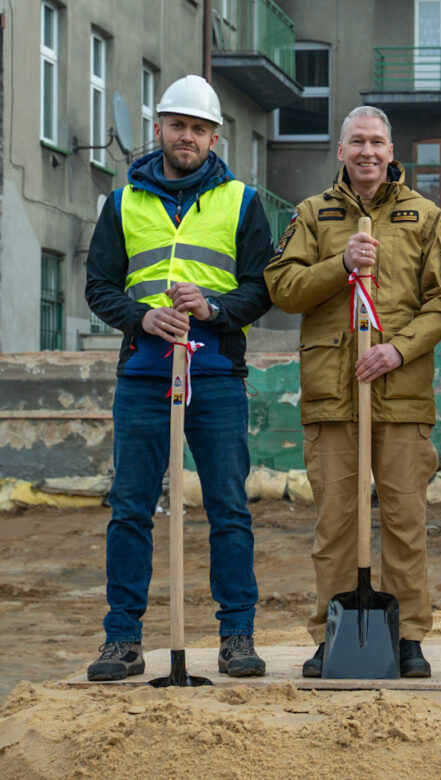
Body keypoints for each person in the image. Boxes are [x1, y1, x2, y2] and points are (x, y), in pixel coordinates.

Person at [84, 75, 272, 681]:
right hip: (142, 377)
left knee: (227, 507)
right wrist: (142, 315)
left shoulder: (242, 202)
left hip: (216, 377)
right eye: (176, 125)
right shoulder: (120, 204)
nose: (186, 136)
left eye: (198, 128)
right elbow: (98, 288)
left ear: (214, 136)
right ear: (159, 128)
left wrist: (212, 307)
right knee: (131, 509)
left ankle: (237, 635)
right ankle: (122, 639)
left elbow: (262, 288)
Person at [265, 106, 441, 679]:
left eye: (377, 142)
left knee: (405, 521)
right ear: (341, 150)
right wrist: (340, 262)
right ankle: (332, 631)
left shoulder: (425, 216)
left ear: (391, 148)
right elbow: (282, 286)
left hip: (400, 396)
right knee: (335, 524)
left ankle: (407, 636)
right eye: (357, 142)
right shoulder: (312, 214)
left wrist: (397, 349)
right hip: (333, 393)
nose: (368, 152)